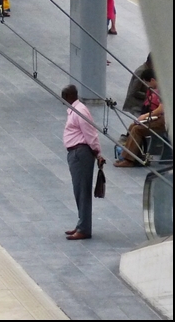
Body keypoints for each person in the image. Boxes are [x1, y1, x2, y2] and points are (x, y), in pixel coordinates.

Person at [61, 84, 106, 240]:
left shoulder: (79, 111)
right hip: (76, 154)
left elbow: (90, 134)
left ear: (68, 96)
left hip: (81, 154)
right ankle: (82, 223)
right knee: (78, 190)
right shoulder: (75, 110)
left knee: (82, 191)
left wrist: (98, 153)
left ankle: (84, 228)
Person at [114, 68, 166, 167]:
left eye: (148, 83)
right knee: (133, 126)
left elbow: (161, 109)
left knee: (138, 129)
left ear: (152, 80)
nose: (148, 86)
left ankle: (129, 160)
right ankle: (133, 156)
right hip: (162, 117)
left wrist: (145, 116)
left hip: (165, 120)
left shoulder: (163, 89)